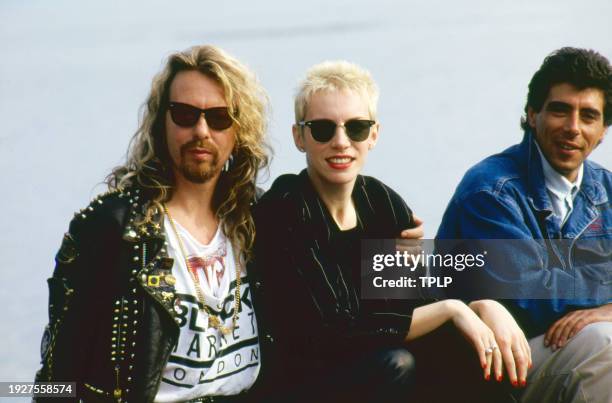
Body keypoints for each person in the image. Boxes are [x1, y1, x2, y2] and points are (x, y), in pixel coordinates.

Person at [251, 60, 508, 403]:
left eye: (356, 128)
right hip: (300, 381)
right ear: (300, 137)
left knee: (474, 346)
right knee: (396, 363)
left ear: (373, 135)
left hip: (366, 363)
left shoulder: (382, 202)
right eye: (323, 129)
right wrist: (453, 308)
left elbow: (410, 301)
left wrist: (480, 306)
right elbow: (337, 329)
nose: (341, 142)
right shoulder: (287, 207)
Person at [35, 45, 270, 402]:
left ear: (240, 129)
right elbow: (55, 381)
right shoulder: (113, 230)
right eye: (185, 114)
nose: (202, 130)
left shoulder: (260, 219)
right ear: (162, 122)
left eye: (220, 117)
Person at [437, 47, 612, 402]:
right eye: (560, 110)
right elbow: (534, 291)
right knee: (602, 343)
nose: (573, 128)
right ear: (533, 115)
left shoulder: (605, 189)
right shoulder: (490, 190)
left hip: (559, 352)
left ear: (603, 131)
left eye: (589, 115)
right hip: (492, 370)